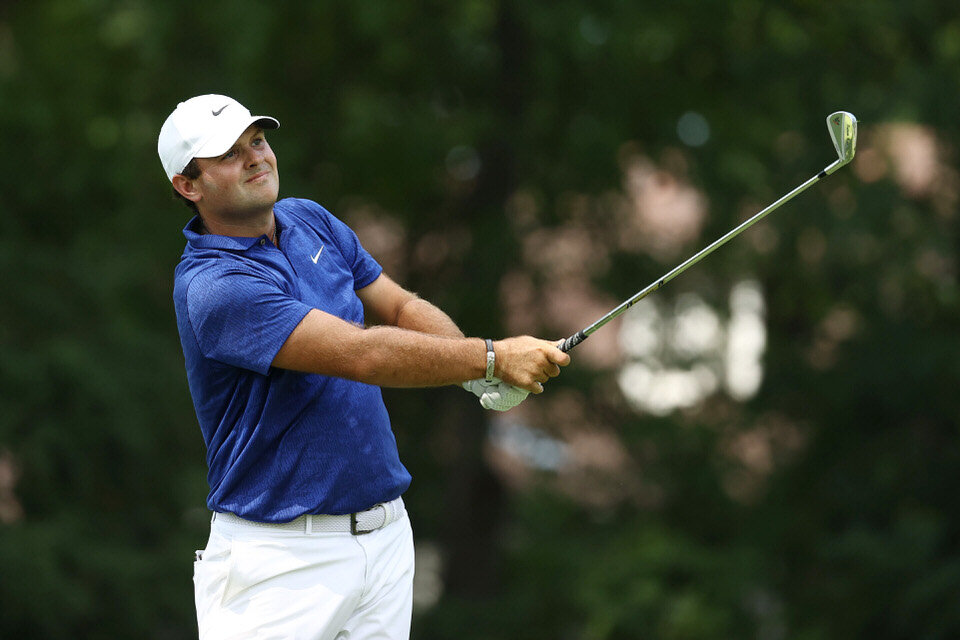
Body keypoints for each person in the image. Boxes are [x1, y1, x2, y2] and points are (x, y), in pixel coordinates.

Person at [158, 94, 570, 640]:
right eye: (230, 154)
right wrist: (492, 356)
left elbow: (400, 308)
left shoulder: (309, 220)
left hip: (386, 538)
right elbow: (362, 354)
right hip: (281, 560)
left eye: (257, 140)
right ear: (190, 186)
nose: (256, 157)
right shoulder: (215, 287)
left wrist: (478, 376)